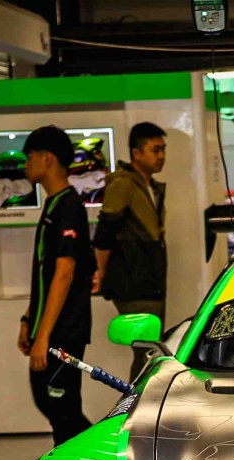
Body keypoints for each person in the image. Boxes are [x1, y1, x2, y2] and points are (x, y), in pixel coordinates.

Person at [18, 126, 93, 447]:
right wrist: (28, 319)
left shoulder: (69, 206)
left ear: (47, 159)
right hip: (48, 329)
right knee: (50, 402)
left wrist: (45, 336)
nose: (26, 165)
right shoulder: (53, 205)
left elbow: (64, 272)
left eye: (30, 157)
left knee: (62, 410)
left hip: (64, 331)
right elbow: (44, 274)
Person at [94, 121, 169, 379]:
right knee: (147, 351)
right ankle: (136, 398)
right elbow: (104, 232)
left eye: (163, 150)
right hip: (133, 280)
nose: (161, 156)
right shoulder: (123, 184)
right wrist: (101, 273)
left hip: (150, 280)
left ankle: (140, 397)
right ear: (136, 153)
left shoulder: (150, 186)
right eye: (155, 150)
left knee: (152, 351)